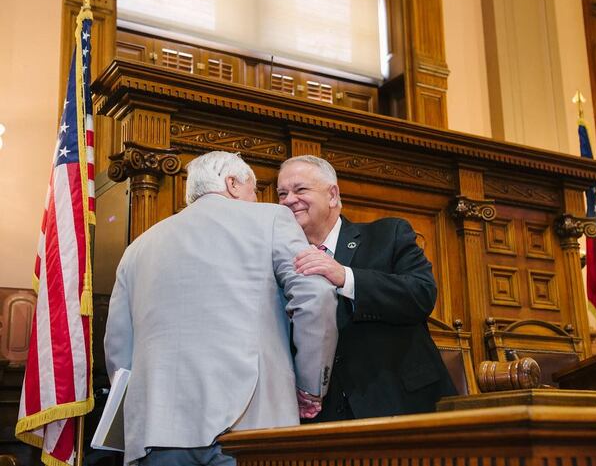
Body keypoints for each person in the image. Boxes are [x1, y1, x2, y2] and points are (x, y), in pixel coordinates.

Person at [104, 151, 338, 466]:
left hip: (156, 434)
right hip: (247, 426)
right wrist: (311, 387)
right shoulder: (271, 219)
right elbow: (315, 296)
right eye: (254, 190)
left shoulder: (138, 247)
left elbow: (118, 349)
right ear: (232, 183)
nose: (256, 200)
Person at [277, 155, 457, 422]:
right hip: (321, 419)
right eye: (282, 193)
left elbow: (421, 294)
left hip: (400, 405)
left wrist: (345, 277)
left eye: (300, 189)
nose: (289, 200)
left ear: (332, 195)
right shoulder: (282, 260)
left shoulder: (389, 234)